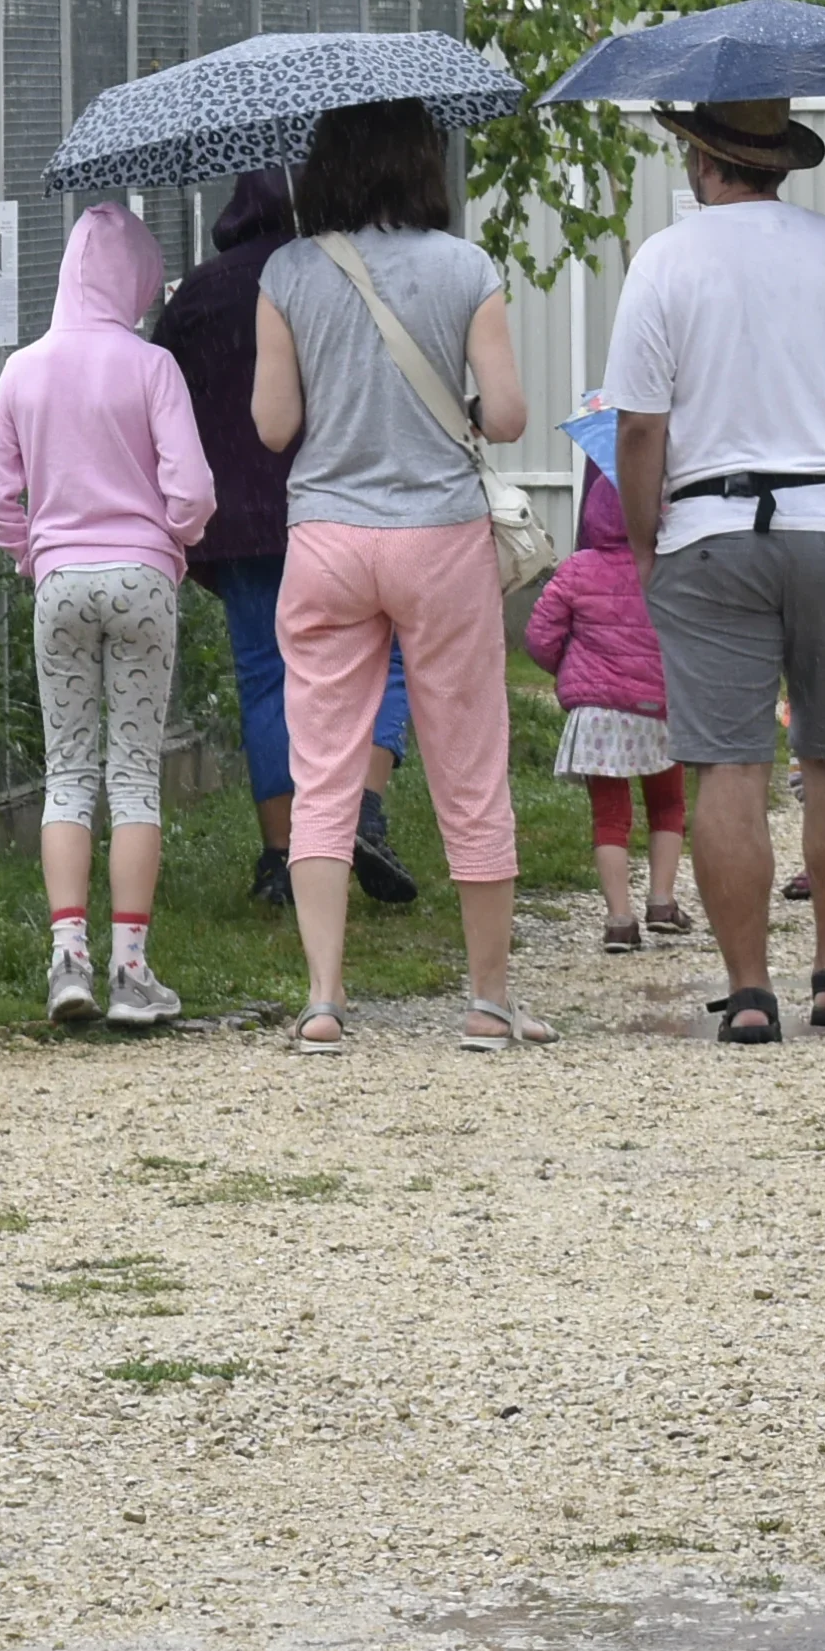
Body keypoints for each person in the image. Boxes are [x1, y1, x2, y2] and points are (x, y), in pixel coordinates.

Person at [606, 98, 825, 1047]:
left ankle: (748, 991)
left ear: (703, 158)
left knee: (728, 762)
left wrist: (647, 536)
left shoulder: (665, 259)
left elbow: (641, 423)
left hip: (713, 524)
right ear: (777, 159)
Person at [248, 98, 534, 1054]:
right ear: (423, 162)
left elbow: (275, 427)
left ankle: (325, 1000)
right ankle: (488, 1004)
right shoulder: (468, 269)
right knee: (469, 760)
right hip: (439, 536)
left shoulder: (289, 271)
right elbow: (506, 419)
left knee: (321, 766)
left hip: (327, 538)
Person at [149, 168, 425, 910]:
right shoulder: (323, 277)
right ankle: (364, 807)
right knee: (384, 653)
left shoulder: (197, 296)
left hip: (234, 525)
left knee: (267, 676)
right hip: (331, 504)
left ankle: (280, 856)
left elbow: (162, 394)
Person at [0, 202, 219, 1029]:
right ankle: (133, 970)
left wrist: (34, 553)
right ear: (138, 280)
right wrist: (170, 541)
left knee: (69, 771)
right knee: (133, 773)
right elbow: (192, 492)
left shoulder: (23, 370)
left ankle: (67, 960)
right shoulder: (151, 366)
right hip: (142, 582)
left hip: (60, 587)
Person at [523, 460, 686, 952]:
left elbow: (538, 637)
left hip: (598, 715)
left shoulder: (577, 569)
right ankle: (662, 899)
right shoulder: (668, 568)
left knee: (610, 816)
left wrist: (570, 670)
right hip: (660, 709)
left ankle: (619, 919)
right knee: (669, 805)